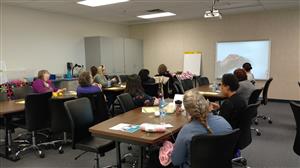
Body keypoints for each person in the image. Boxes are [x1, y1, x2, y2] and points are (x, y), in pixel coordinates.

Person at [171, 91, 232, 168]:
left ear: (187, 111)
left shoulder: (186, 130)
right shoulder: (223, 122)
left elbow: (176, 161)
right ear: (206, 104)